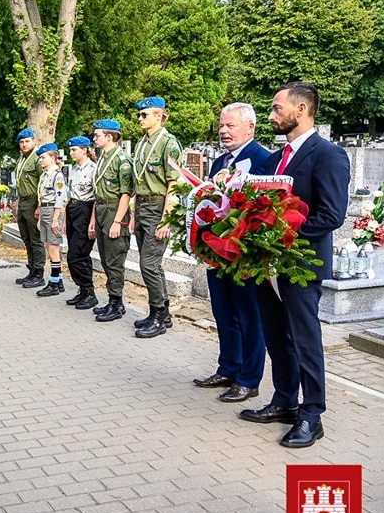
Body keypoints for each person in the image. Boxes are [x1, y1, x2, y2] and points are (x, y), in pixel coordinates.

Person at [240, 82, 349, 448]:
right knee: (275, 335)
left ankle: (312, 414)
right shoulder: (273, 160)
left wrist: (284, 237)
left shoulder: (328, 155)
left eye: (276, 108)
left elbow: (331, 215)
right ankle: (284, 400)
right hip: (267, 265)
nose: (271, 115)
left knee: (304, 338)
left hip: (302, 263)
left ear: (300, 110)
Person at [193, 103, 270, 402]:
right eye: (221, 126)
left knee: (250, 316)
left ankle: (249, 379)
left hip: (245, 255)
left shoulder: (265, 160)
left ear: (250, 127)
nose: (223, 131)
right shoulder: (220, 163)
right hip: (218, 253)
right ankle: (228, 368)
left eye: (231, 126)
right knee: (223, 313)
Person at [131, 96, 182, 338]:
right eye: (139, 115)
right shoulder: (143, 142)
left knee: (148, 264)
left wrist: (166, 219)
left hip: (157, 207)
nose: (140, 118)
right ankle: (163, 312)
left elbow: (174, 184)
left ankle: (158, 315)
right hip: (141, 205)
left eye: (145, 115)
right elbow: (139, 180)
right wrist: (133, 213)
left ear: (159, 116)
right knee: (151, 264)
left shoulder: (168, 143)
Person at [91, 120, 133, 322]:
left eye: (97, 135)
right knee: (107, 259)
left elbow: (126, 193)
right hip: (101, 208)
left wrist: (117, 221)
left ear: (110, 137)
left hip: (114, 209)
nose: (94, 138)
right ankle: (112, 300)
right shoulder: (102, 158)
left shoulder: (121, 159)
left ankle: (117, 303)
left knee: (115, 259)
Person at [63, 135, 99, 310]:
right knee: (79, 254)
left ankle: (90, 292)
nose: (71, 153)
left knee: (75, 255)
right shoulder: (74, 169)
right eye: (70, 150)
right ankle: (83, 290)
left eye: (74, 149)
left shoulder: (93, 169)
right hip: (73, 210)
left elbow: (96, 198)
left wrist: (92, 221)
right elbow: (70, 194)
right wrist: (65, 218)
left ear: (85, 150)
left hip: (86, 210)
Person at [13, 128, 46, 288]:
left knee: (35, 239)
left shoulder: (37, 158)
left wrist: (40, 206)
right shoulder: (22, 158)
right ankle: (32, 269)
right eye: (22, 142)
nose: (24, 144)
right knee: (26, 238)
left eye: (27, 141)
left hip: (34, 201)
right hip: (23, 201)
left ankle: (39, 273)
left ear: (34, 141)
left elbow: (43, 182)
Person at [34, 142, 68, 296]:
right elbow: (42, 196)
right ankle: (58, 281)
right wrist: (41, 216)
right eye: (40, 158)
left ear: (53, 158)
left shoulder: (57, 175)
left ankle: (53, 284)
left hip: (53, 211)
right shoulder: (44, 175)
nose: (41, 160)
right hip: (45, 210)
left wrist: (55, 219)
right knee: (49, 247)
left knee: (53, 249)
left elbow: (60, 198)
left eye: (43, 157)